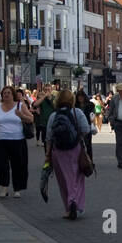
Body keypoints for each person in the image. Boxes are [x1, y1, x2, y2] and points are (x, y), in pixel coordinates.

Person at [45, 88, 92, 220]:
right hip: (75, 149)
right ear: (72, 100)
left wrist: (47, 155)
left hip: (58, 152)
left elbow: (49, 137)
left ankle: (68, 206)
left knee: (64, 179)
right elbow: (86, 129)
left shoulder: (53, 116)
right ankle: (75, 202)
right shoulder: (77, 113)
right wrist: (77, 136)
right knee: (77, 177)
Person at [0, 84, 33, 198]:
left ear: (13, 95)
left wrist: (21, 116)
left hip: (17, 139)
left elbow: (31, 118)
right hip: (0, 140)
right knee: (1, 165)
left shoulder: (20, 105)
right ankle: (4, 188)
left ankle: (17, 188)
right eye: (4, 93)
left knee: (18, 165)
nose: (6, 95)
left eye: (9, 93)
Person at [75, 87, 95, 160]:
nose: (80, 98)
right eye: (79, 97)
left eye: (81, 97)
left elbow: (93, 114)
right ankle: (80, 160)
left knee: (88, 144)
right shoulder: (75, 105)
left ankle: (90, 160)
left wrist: (92, 121)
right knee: (78, 144)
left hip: (87, 125)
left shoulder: (90, 105)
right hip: (77, 127)